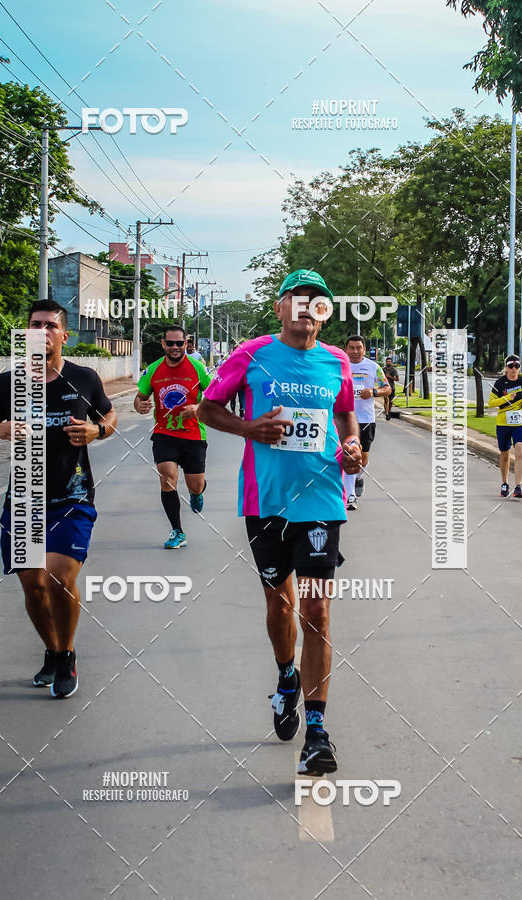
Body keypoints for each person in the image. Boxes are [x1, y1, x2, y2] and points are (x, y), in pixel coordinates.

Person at [198, 268, 361, 776]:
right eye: (298, 299)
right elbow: (207, 408)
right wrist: (249, 427)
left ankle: (317, 730)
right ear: (280, 308)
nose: (307, 309)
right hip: (265, 503)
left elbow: (346, 417)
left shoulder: (337, 361)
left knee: (316, 612)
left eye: (318, 302)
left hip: (321, 501)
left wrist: (353, 447)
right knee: (279, 603)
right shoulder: (251, 354)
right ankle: (286, 673)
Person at [0, 299, 117, 698]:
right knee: (33, 585)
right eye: (35, 325)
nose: (42, 331)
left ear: (64, 335)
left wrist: (95, 432)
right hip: (24, 498)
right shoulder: (7, 384)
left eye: (50, 325)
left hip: (73, 496)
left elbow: (108, 415)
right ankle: (52, 650)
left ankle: (66, 655)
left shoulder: (84, 379)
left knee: (58, 576)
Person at [135, 325, 211, 548]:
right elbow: (140, 397)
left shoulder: (198, 368)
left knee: (195, 485)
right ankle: (177, 531)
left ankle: (197, 493)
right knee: (167, 477)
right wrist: (140, 405)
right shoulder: (154, 370)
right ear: (163, 344)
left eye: (180, 343)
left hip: (194, 434)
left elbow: (216, 395)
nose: (176, 347)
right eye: (171, 343)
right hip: (164, 432)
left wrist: (199, 408)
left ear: (186, 344)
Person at [344, 336, 391, 510]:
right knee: (349, 455)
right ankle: (350, 496)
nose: (355, 351)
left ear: (364, 349)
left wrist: (373, 392)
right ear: (346, 349)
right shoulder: (340, 365)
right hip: (346, 419)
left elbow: (388, 388)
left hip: (366, 419)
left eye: (358, 348)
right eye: (351, 348)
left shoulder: (374, 367)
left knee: (362, 459)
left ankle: (358, 476)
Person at [488, 354, 522, 498]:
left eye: (517, 366)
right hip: (503, 424)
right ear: (506, 368)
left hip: (520, 423)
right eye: (511, 366)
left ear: (519, 368)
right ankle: (505, 483)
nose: (514, 369)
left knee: (520, 451)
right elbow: (491, 403)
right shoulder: (500, 383)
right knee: (505, 455)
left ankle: (518, 486)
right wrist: (507, 397)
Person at [383, 356, 399, 420]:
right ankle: (386, 412)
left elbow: (397, 379)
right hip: (385, 387)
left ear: (392, 362)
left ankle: (388, 411)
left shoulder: (394, 370)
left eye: (390, 361)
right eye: (387, 361)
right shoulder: (383, 370)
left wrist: (390, 376)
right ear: (385, 362)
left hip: (392, 387)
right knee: (386, 399)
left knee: (391, 400)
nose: (388, 363)